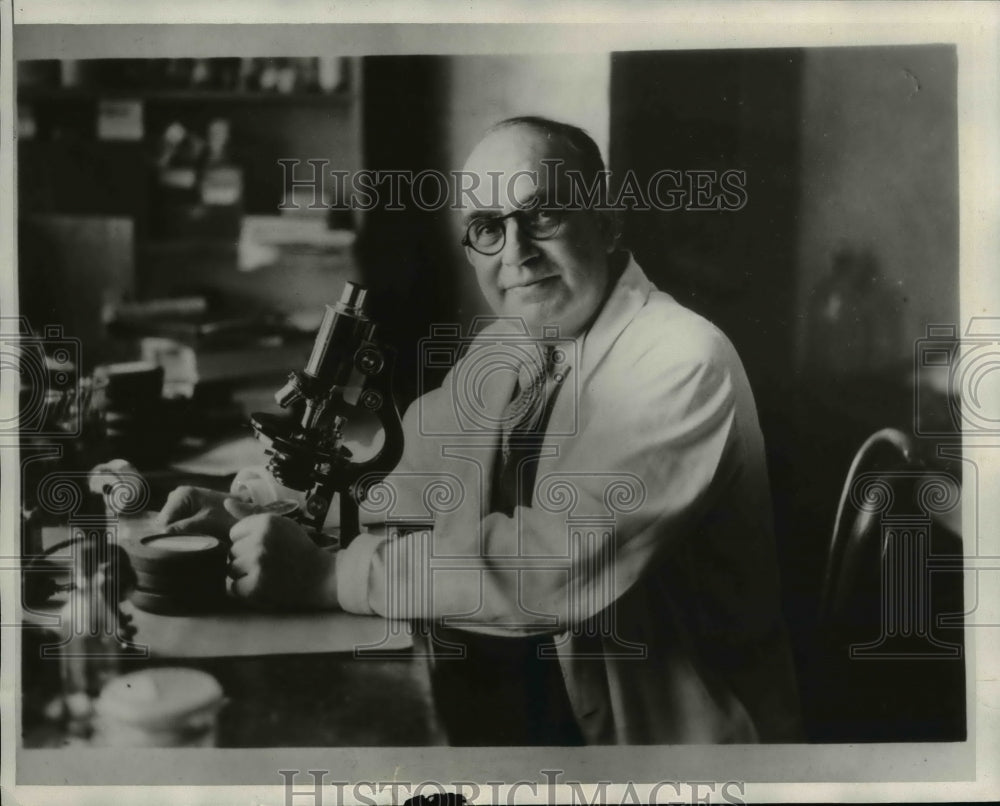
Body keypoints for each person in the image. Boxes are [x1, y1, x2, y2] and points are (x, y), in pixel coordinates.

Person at [159, 116, 801, 744]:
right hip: (532, 692)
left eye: (542, 215)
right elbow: (406, 485)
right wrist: (269, 512)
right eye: (488, 228)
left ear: (605, 223)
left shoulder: (681, 359)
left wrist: (329, 578)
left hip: (665, 752)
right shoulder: (508, 348)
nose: (517, 253)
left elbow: (551, 564)